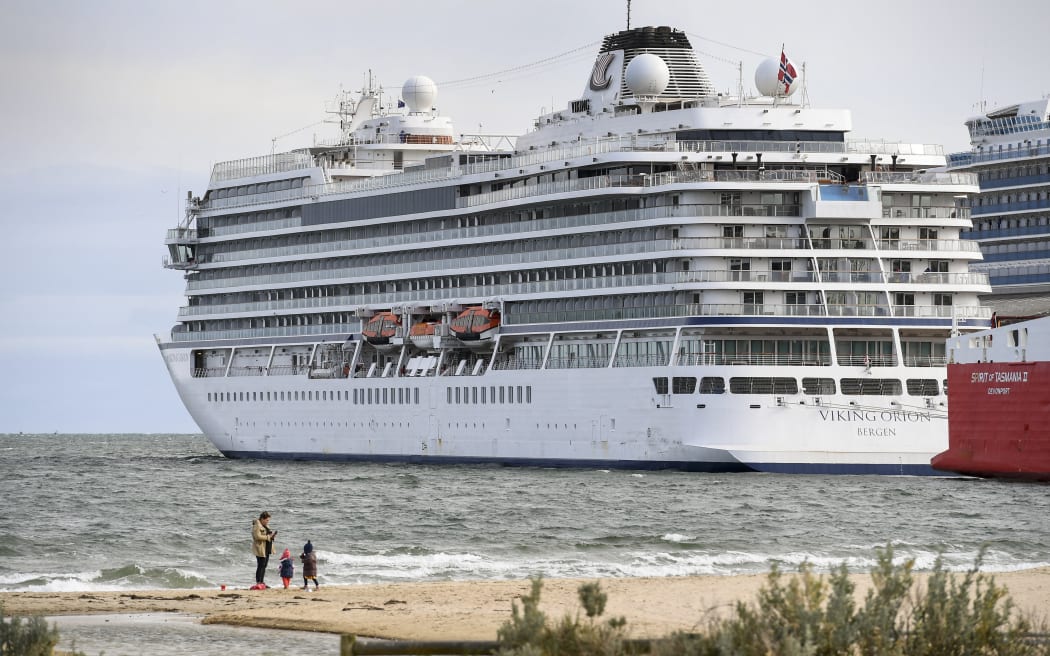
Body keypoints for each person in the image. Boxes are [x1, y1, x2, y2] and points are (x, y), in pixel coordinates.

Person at [251, 511, 277, 588]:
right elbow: (257, 537)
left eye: (268, 520)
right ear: (262, 519)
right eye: (267, 520)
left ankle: (262, 582)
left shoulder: (265, 525)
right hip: (260, 548)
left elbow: (267, 534)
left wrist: (272, 536)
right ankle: (258, 582)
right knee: (260, 565)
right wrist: (268, 537)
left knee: (264, 566)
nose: (268, 521)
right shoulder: (257, 526)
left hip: (267, 548)